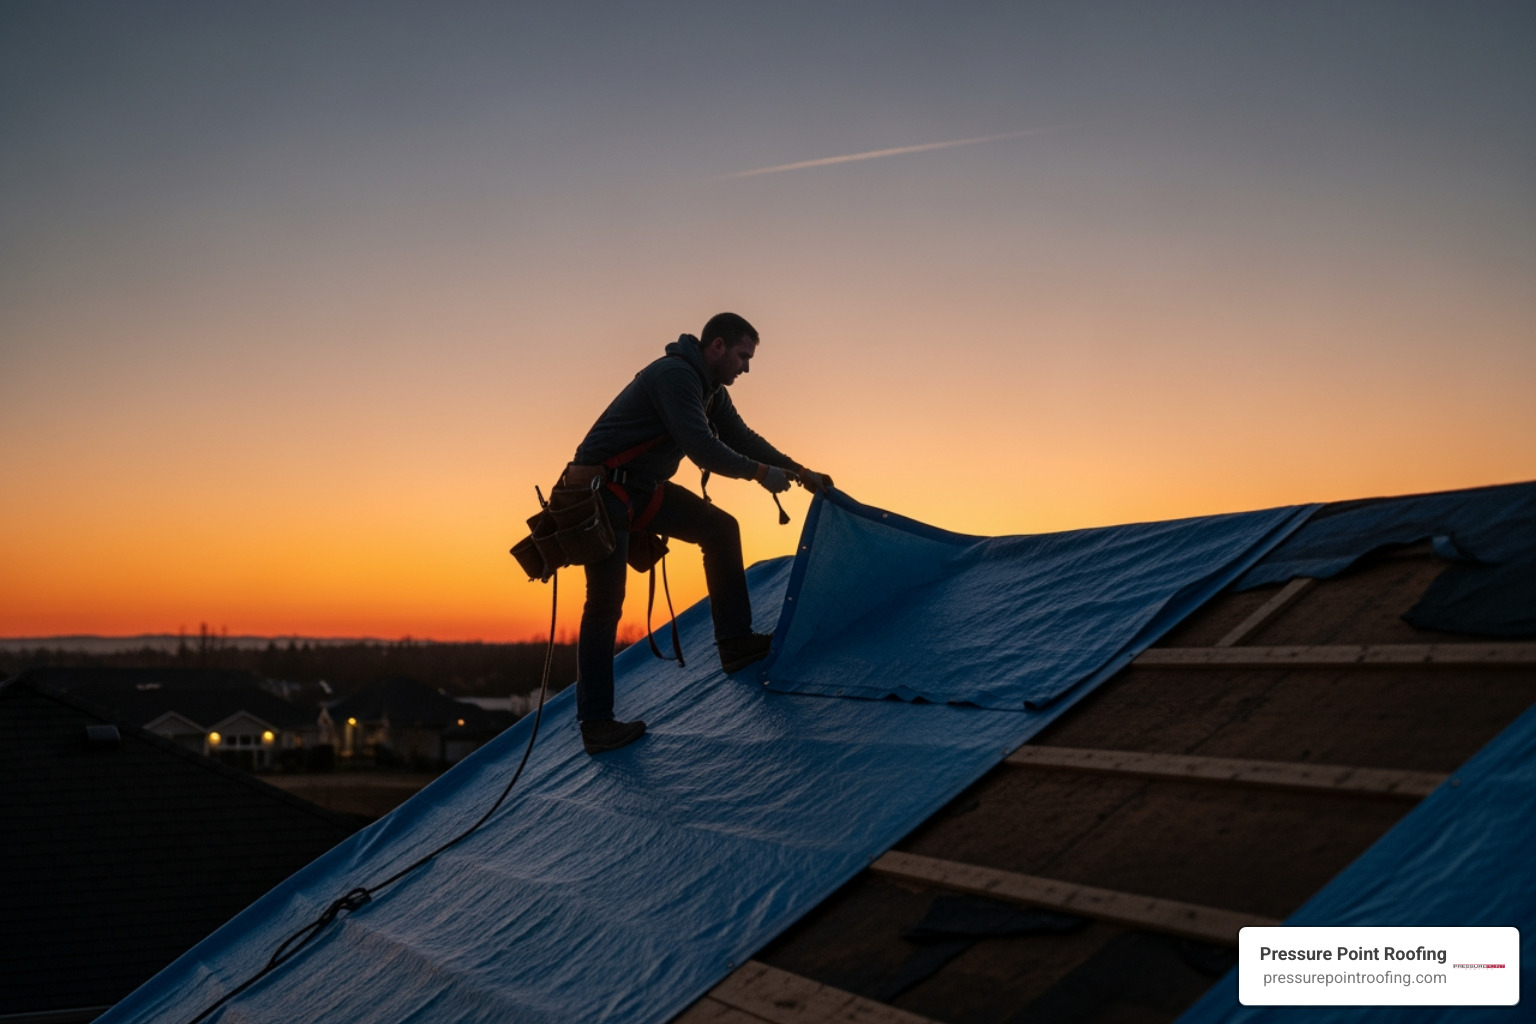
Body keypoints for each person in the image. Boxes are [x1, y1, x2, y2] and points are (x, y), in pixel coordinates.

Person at [565, 312, 831, 754]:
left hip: (641, 489)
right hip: (602, 494)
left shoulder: (711, 391)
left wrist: (800, 472)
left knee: (720, 529)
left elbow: (742, 438)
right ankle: (596, 723)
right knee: (606, 605)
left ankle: (736, 642)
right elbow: (702, 447)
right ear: (718, 346)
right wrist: (761, 475)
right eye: (743, 356)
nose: (746, 367)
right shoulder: (675, 376)